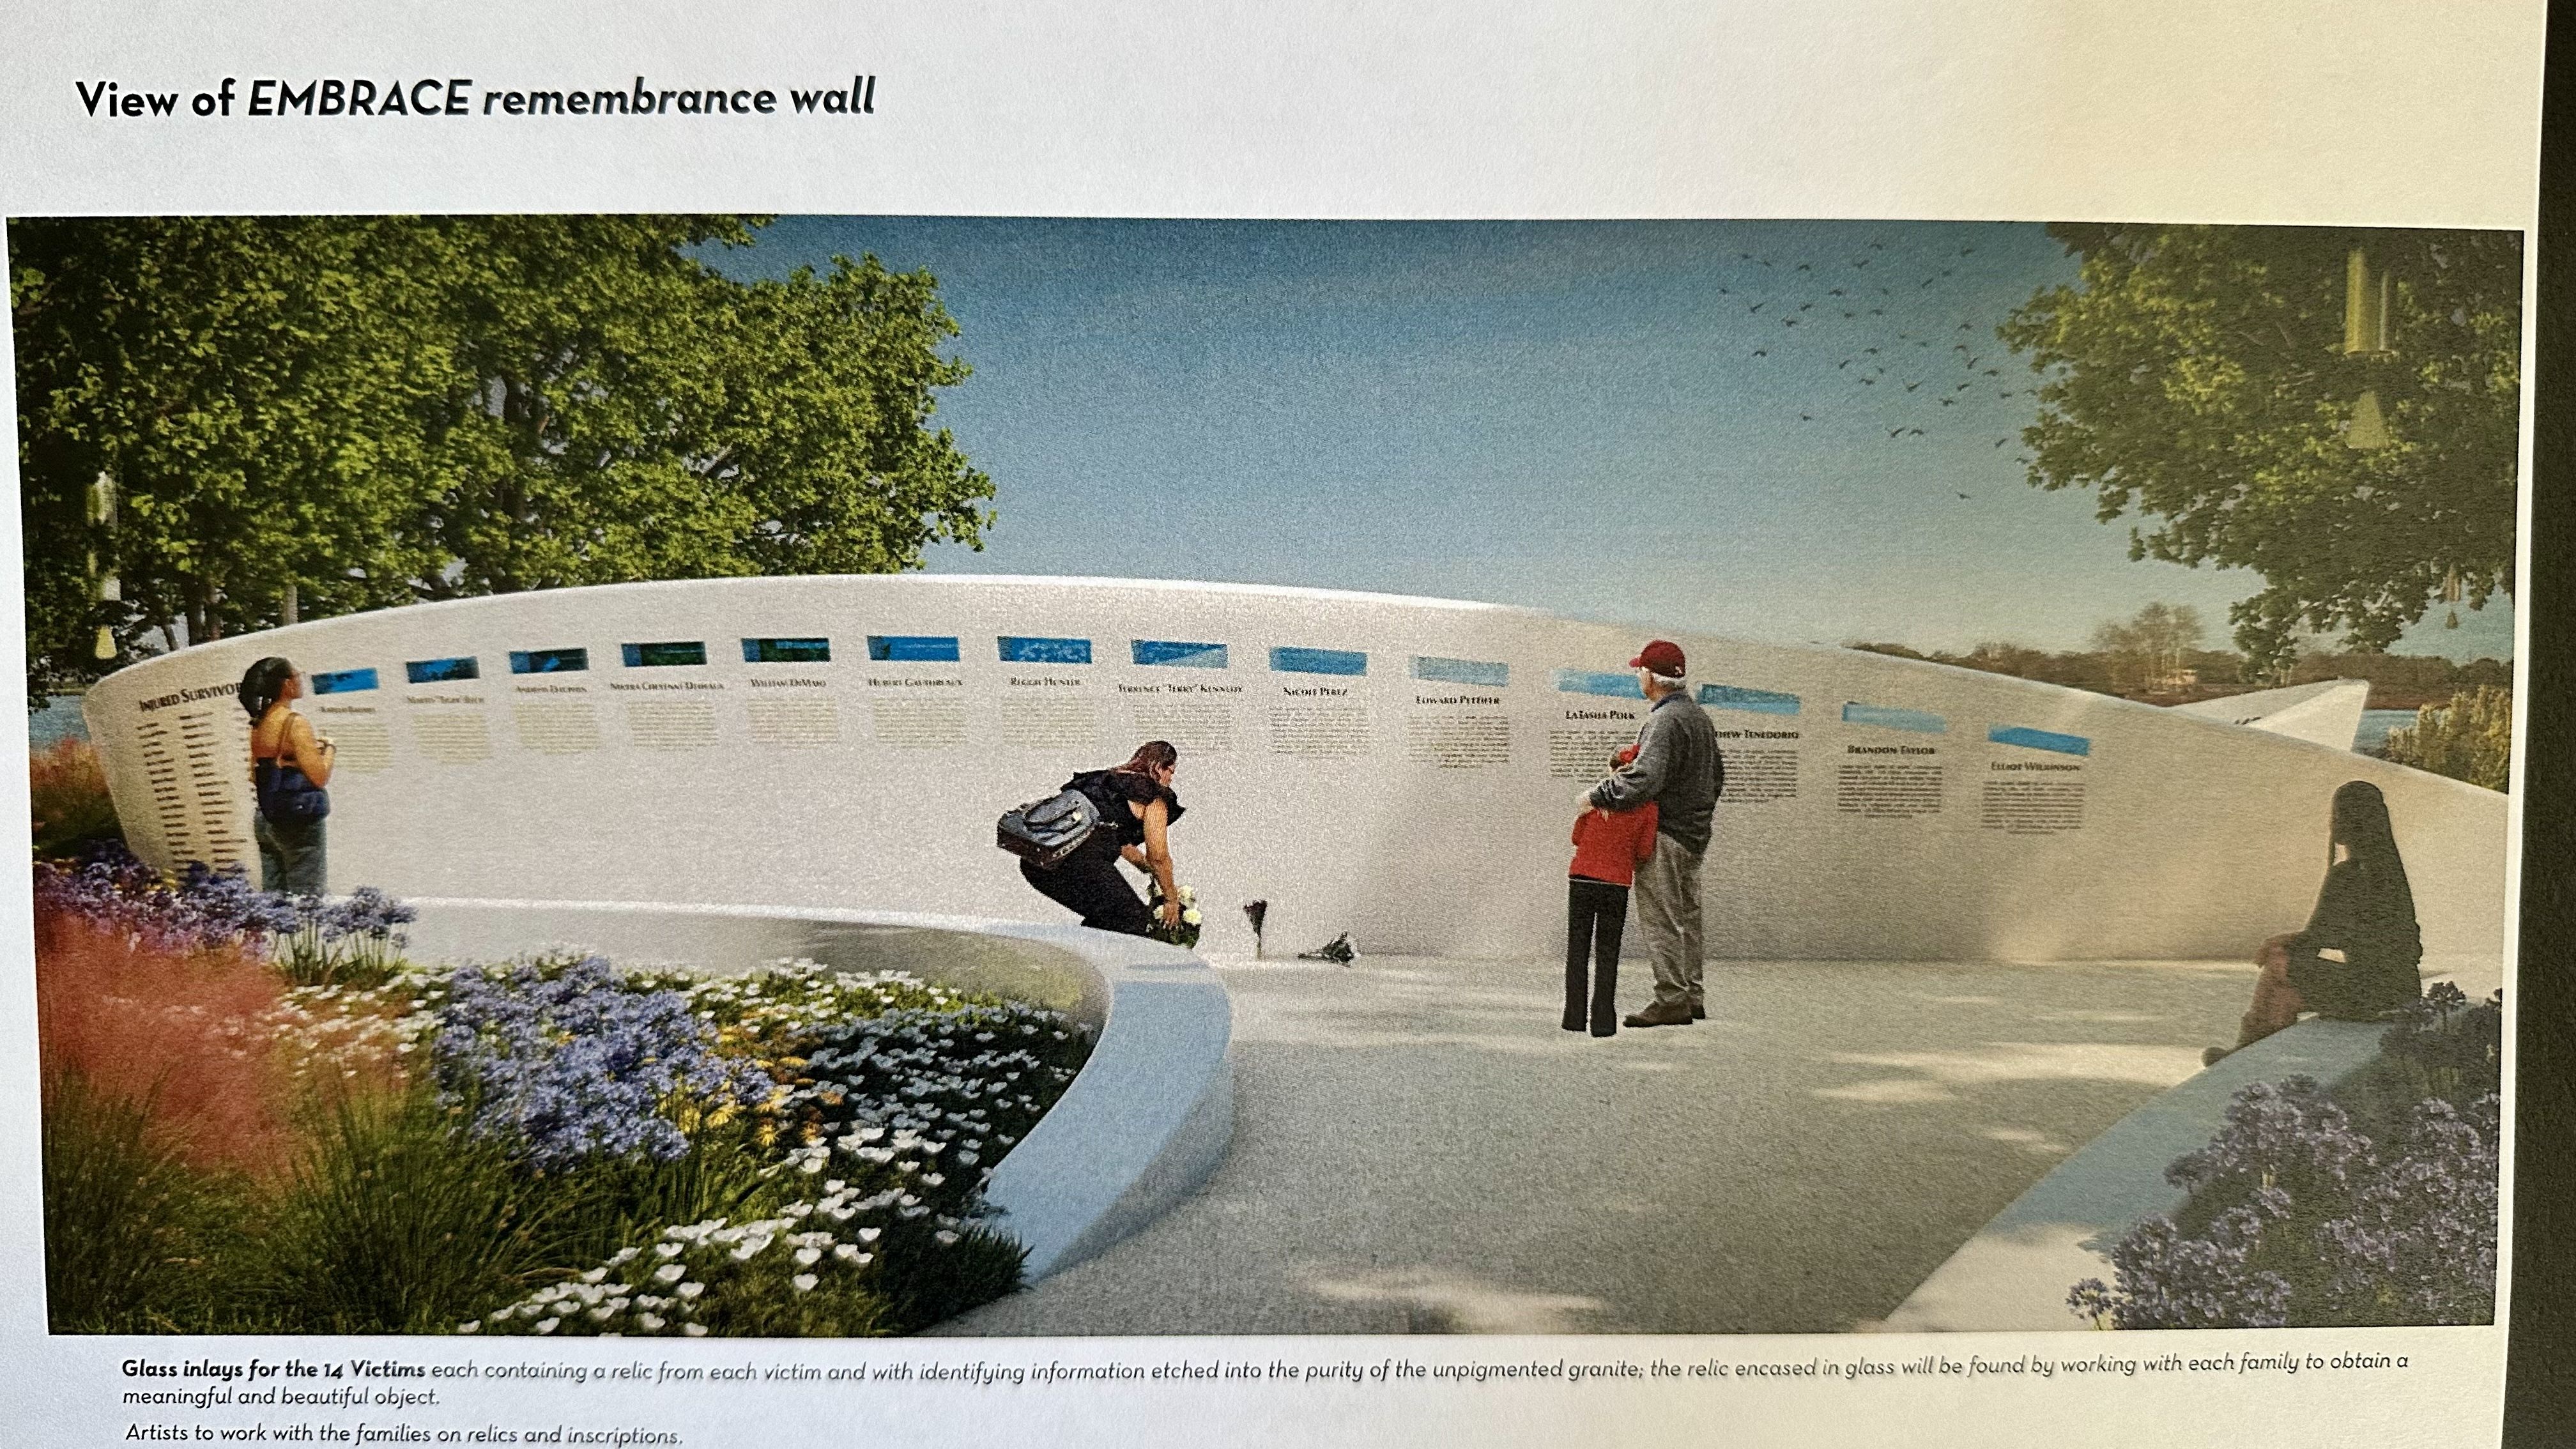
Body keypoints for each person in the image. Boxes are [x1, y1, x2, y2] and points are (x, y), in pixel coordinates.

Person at [2205, 779, 2423, 1066]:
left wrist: (2276, 945)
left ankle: (2244, 1050)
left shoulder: (2348, 875)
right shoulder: (2391, 873)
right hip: (2403, 992)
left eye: (2336, 816)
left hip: (2373, 995)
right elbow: (2334, 936)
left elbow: (2314, 941)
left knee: (2277, 967)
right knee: (2286, 997)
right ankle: (2252, 1057)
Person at [1583, 640, 1723, 1028]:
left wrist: (1597, 796)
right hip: (1694, 834)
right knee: (1687, 917)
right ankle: (1692, 996)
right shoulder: (1698, 717)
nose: (1637, 677)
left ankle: (1671, 999)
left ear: (1649, 676)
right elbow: (1715, 778)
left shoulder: (1664, 720)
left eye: (1639, 671)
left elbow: (1645, 780)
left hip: (1666, 834)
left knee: (1661, 917)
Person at [1020, 741, 1186, 937]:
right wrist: (1171, 899)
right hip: (1078, 864)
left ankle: (1083, 960)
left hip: (1038, 864)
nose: (1171, 779)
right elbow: (1158, 856)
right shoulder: (1153, 798)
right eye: (1171, 772)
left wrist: (1151, 872)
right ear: (1158, 768)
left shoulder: (1102, 781)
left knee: (1107, 918)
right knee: (1136, 922)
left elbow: (1119, 842)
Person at [1566, 745, 1659, 1037]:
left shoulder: (1594, 800)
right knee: (1608, 953)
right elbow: (1644, 852)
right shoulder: (1648, 808)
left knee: (1578, 950)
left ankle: (1574, 1018)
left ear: (1612, 769)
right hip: (1616, 883)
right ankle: (1604, 1023)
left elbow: (1576, 837)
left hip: (1581, 878)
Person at [239, 656, 334, 896]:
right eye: (296, 675)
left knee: (274, 898)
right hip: (298, 821)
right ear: (287, 685)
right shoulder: (295, 723)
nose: (300, 679)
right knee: (308, 897)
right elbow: (319, 777)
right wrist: (331, 749)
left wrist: (292, 761)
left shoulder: (258, 724)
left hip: (267, 817)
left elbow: (254, 774)